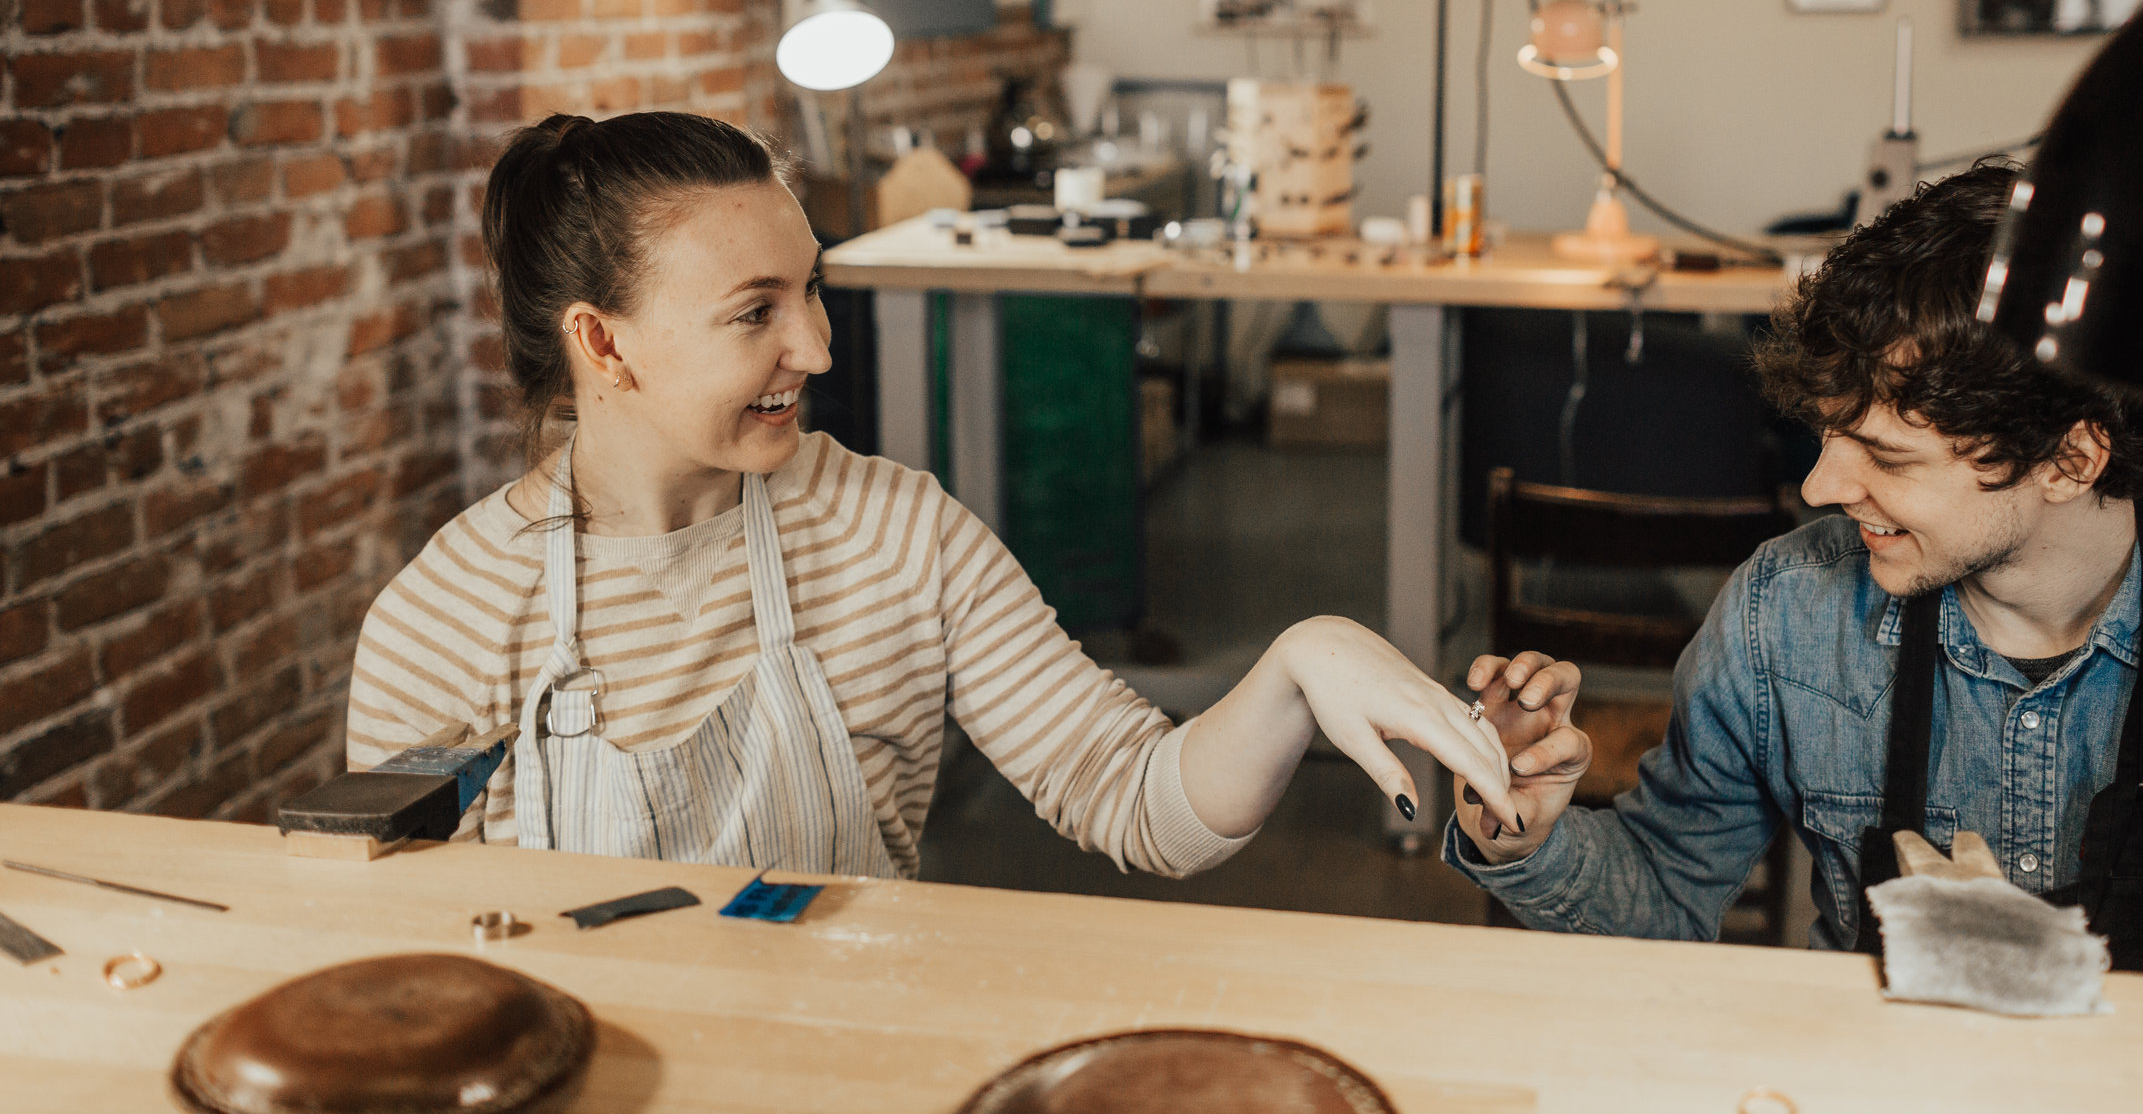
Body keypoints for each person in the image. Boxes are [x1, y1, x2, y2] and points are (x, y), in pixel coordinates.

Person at [347, 111, 1520, 879]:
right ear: (603, 344)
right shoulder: (443, 621)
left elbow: (1132, 795)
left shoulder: (896, 532)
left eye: (811, 290)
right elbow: (404, 968)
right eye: (755, 312)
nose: (814, 345)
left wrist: (1299, 664)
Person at [1445, 164, 2143, 989]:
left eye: (1886, 456)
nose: (1818, 484)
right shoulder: (1782, 614)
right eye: (1829, 437)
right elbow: (1664, 892)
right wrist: (1527, 832)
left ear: (2070, 459)